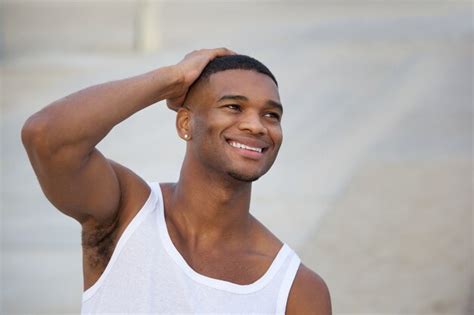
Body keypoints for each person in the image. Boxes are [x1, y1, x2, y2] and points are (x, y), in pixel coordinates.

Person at [22, 48, 331, 314]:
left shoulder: (296, 290)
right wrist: (174, 79)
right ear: (185, 123)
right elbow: (46, 137)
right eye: (234, 107)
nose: (256, 125)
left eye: (271, 115)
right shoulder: (126, 214)